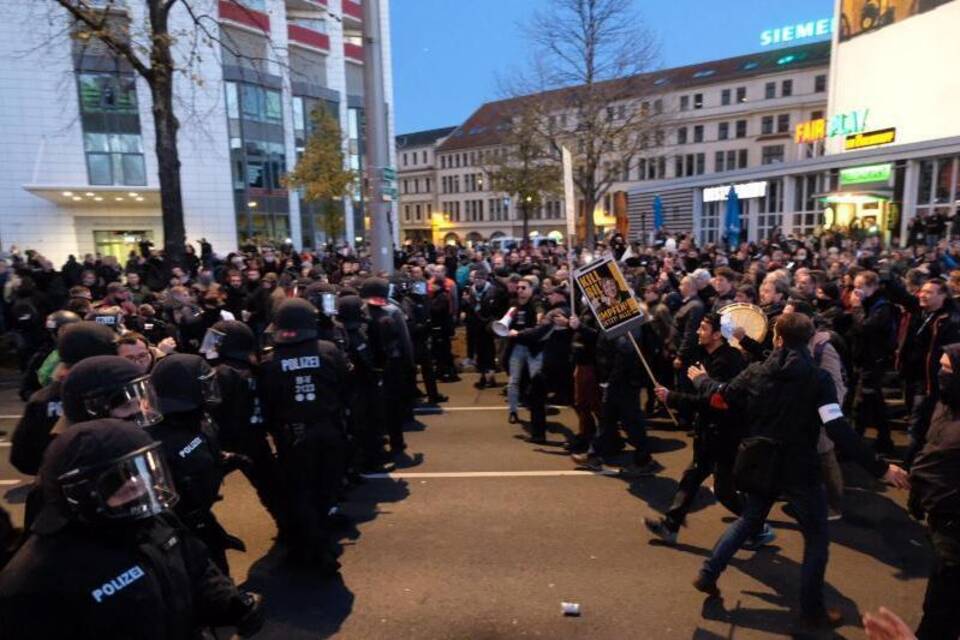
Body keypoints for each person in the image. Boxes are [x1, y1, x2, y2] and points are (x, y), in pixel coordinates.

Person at [689, 313, 909, 629]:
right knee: (817, 538)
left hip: (760, 460)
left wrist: (700, 379)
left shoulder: (757, 371)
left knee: (750, 518)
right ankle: (811, 611)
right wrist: (880, 468)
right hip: (800, 468)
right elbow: (837, 428)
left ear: (777, 338)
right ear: (808, 340)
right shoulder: (817, 380)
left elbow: (722, 393)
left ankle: (708, 573)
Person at [0, 419, 264, 639]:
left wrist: (228, 603)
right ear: (82, 492)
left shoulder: (151, 519)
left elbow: (196, 567)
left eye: (143, 469)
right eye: (120, 476)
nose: (138, 483)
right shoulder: (36, 580)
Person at [645, 312, 763, 545]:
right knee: (693, 477)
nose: (698, 332)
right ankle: (671, 526)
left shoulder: (729, 361)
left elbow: (716, 402)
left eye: (703, 328)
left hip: (725, 433)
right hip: (710, 431)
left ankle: (757, 527)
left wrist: (673, 397)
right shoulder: (707, 355)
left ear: (718, 335)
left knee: (723, 490)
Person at [258, 298, 349, 573]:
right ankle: (322, 541)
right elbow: (347, 388)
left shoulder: (270, 361)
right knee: (326, 488)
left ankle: (314, 549)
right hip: (331, 430)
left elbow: (267, 405)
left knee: (301, 493)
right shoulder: (329, 351)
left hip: (293, 438)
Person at [150, 353, 239, 575]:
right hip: (183, 526)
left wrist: (223, 460)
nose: (210, 387)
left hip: (203, 512)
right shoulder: (156, 437)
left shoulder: (198, 416)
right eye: (205, 383)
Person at [202, 320, 283, 530]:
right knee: (272, 488)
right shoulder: (256, 368)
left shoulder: (223, 373)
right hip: (256, 438)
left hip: (226, 443)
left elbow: (213, 408)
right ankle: (290, 529)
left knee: (201, 496)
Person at [908, 343, 960, 640]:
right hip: (938, 516)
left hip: (955, 529)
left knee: (942, 609)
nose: (941, 374)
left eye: (948, 369)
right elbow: (932, 449)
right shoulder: (944, 403)